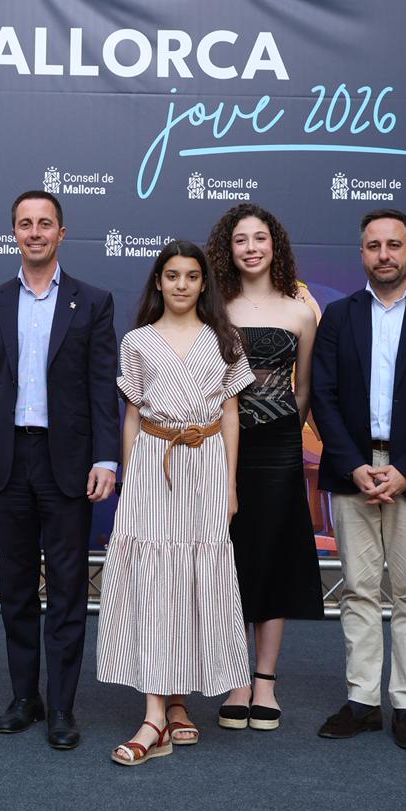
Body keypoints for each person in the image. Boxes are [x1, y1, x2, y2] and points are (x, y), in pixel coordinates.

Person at [0, 190, 120, 751]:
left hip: (68, 464)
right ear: (14, 232)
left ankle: (61, 705)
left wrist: (106, 457)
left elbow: (103, 385)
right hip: (8, 461)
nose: (35, 232)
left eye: (45, 223)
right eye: (25, 224)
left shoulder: (93, 301)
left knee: (68, 588)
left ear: (61, 233)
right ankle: (23, 697)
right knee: (15, 589)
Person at [309, 208, 406, 752]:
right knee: (357, 590)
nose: (384, 254)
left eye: (394, 245)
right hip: (352, 470)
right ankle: (362, 702)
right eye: (374, 246)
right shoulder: (339, 315)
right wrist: (354, 464)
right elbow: (323, 396)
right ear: (362, 254)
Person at [97, 241, 251, 766]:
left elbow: (231, 415)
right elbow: (132, 417)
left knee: (191, 580)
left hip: (205, 465)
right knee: (155, 582)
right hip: (152, 465)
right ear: (158, 282)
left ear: (204, 283)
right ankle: (154, 717)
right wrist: (128, 482)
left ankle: (178, 701)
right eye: (172, 275)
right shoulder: (137, 341)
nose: (181, 284)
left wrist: (230, 485)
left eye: (191, 276)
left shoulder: (224, 338)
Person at [204, 204, 324, 733]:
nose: (251, 248)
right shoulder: (213, 306)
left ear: (275, 245)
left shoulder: (301, 313)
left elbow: (304, 389)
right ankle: (235, 678)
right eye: (240, 240)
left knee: (273, 556)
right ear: (227, 250)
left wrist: (281, 430)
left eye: (260, 238)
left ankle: (265, 680)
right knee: (229, 559)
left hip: (278, 449)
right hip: (217, 446)